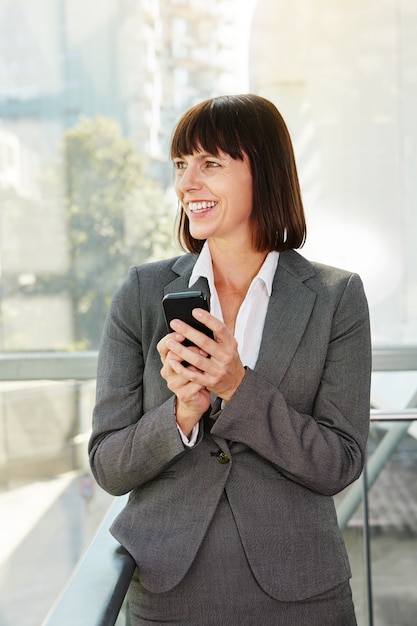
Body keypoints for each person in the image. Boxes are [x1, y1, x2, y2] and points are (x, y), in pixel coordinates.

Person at [89, 94, 371, 625]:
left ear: (263, 171)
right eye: (181, 164)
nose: (186, 183)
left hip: (301, 593)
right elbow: (109, 464)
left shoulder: (337, 297)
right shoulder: (142, 293)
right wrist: (182, 415)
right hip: (170, 594)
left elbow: (340, 462)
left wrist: (239, 388)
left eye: (210, 163)